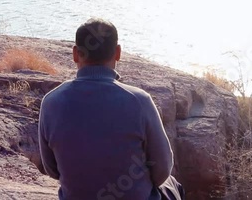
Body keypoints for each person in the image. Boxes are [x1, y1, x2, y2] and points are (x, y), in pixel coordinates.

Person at [38, 18, 184, 200]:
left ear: (76, 54)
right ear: (117, 53)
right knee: (172, 185)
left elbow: (52, 170)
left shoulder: (51, 102)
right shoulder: (139, 101)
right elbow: (162, 168)